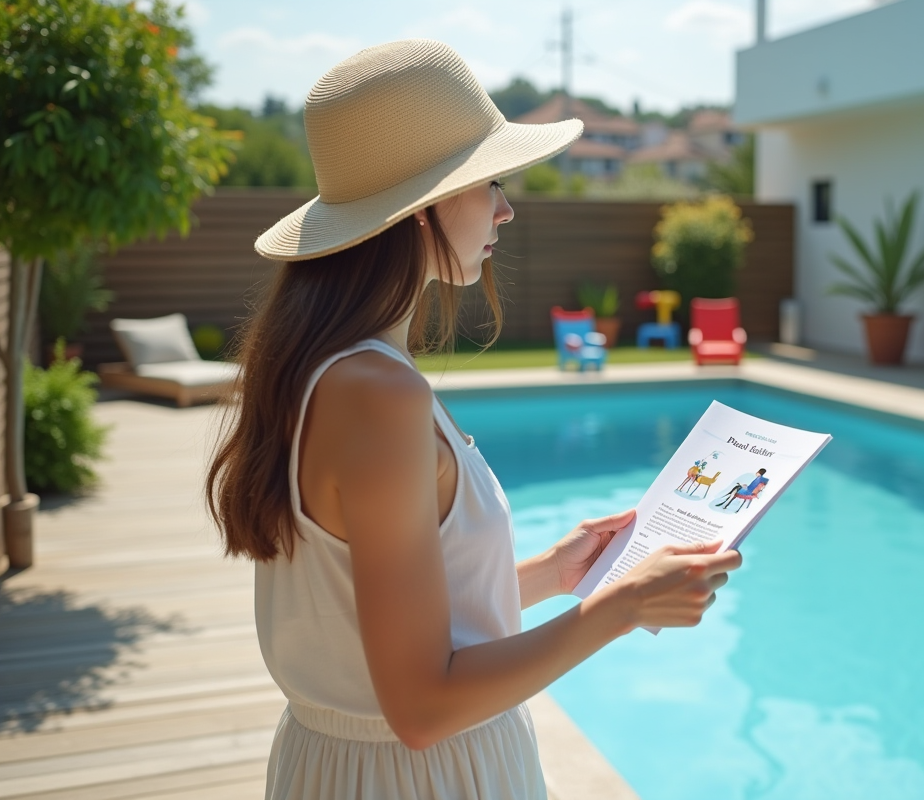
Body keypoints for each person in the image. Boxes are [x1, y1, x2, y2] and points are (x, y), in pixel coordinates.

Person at [205, 39, 742, 800]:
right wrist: (620, 608)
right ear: (423, 208)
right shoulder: (377, 394)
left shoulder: (333, 369)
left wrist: (555, 573)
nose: (506, 207)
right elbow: (422, 707)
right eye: (490, 182)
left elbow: (385, 615)